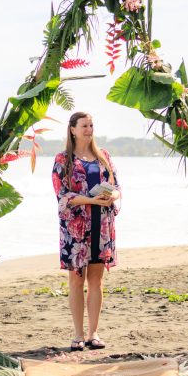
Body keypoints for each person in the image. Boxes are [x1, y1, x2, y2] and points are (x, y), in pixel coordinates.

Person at [52, 112, 121, 352]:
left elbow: (117, 187)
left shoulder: (103, 157)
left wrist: (111, 196)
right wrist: (92, 201)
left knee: (96, 281)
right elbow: (62, 196)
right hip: (76, 229)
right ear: (72, 129)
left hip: (102, 226)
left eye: (91, 125)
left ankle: (94, 334)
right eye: (84, 125)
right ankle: (78, 334)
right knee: (75, 280)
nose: (89, 129)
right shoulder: (63, 159)